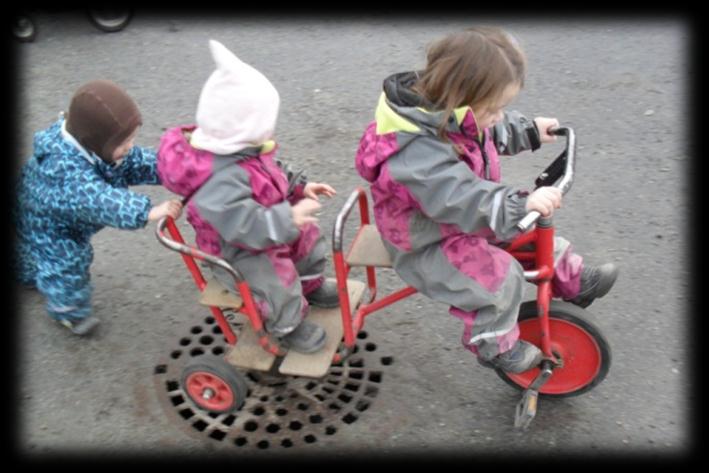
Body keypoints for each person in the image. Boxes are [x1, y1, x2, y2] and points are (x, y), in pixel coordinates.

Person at [354, 27, 619, 373]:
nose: (498, 116)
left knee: (532, 236)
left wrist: (528, 131)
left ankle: (573, 281)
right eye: (494, 108)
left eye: (502, 108)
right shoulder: (413, 155)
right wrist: (517, 205)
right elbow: (460, 198)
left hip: (461, 220)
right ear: (459, 99)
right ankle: (493, 346)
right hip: (425, 241)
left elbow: (488, 130)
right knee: (499, 275)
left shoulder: (456, 113)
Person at [157, 40, 339, 354]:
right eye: (264, 125)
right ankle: (287, 324)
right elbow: (243, 226)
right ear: (242, 129)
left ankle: (310, 284)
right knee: (271, 272)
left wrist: (299, 187)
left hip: (267, 221)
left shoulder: (243, 149)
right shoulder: (218, 179)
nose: (270, 132)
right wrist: (288, 217)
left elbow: (273, 171)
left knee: (306, 234)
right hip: (236, 248)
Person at [13, 79, 183, 336]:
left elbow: (136, 162)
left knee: (28, 256)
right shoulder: (65, 173)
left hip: (46, 207)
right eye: (124, 142)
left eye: (132, 138)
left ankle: (25, 270)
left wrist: (175, 170)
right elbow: (99, 199)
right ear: (96, 141)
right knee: (66, 260)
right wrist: (148, 211)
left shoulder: (95, 147)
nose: (130, 146)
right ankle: (68, 311)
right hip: (48, 222)